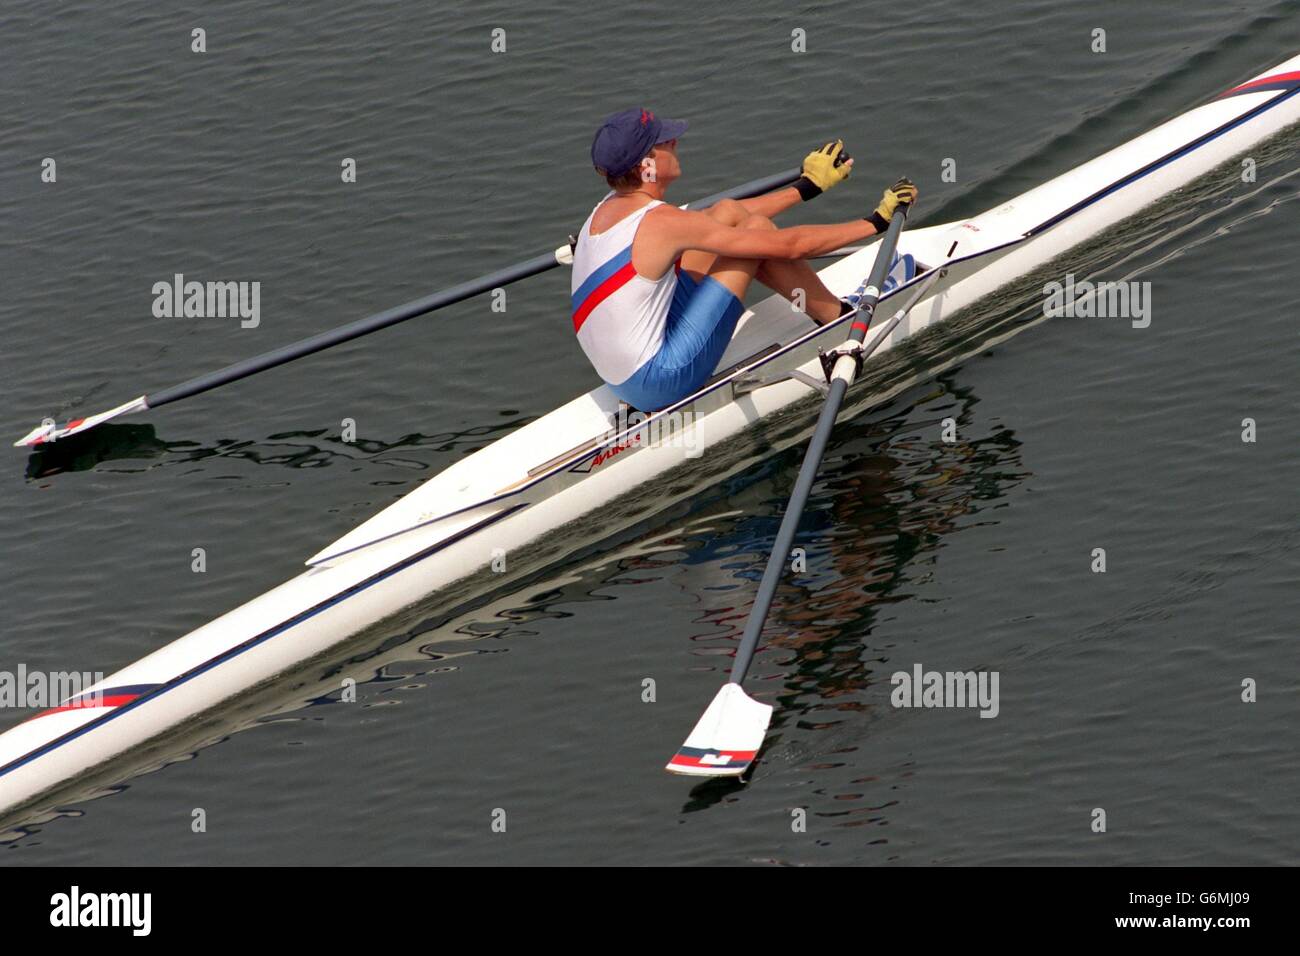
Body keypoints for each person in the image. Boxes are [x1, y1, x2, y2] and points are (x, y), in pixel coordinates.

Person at [571, 107, 917, 412]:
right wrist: (875, 223)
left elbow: (718, 218)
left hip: (617, 374)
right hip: (658, 381)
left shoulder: (606, 209)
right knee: (758, 238)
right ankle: (841, 318)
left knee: (727, 214)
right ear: (646, 165)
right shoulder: (661, 222)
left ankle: (831, 310)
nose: (675, 144)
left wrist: (807, 187)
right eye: (665, 143)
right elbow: (791, 246)